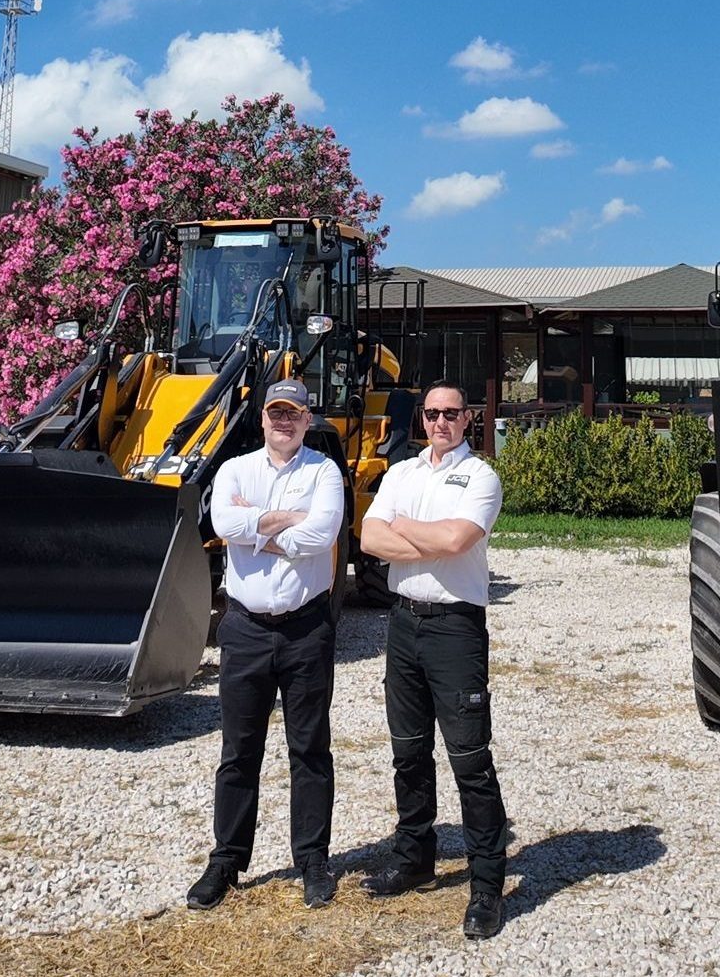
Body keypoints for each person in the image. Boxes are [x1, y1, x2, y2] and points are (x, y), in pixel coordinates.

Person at [187, 378, 345, 912]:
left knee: (309, 748)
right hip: (245, 628)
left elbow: (322, 535)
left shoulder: (325, 472)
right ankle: (227, 859)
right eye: (276, 412)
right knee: (238, 750)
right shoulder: (235, 469)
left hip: (306, 628)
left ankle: (313, 861)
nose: (284, 421)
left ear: (307, 420)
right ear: (263, 419)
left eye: (294, 413)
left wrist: (254, 529)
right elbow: (220, 521)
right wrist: (279, 525)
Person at [359, 380, 509, 940]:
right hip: (403, 623)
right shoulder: (401, 471)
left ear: (468, 418)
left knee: (470, 758)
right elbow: (370, 538)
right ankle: (415, 857)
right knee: (409, 751)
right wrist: (423, 537)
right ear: (421, 418)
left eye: (451, 413)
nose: (441, 422)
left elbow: (457, 540)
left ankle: (488, 886)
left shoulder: (481, 477)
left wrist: (405, 530)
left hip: (454, 629)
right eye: (432, 413)